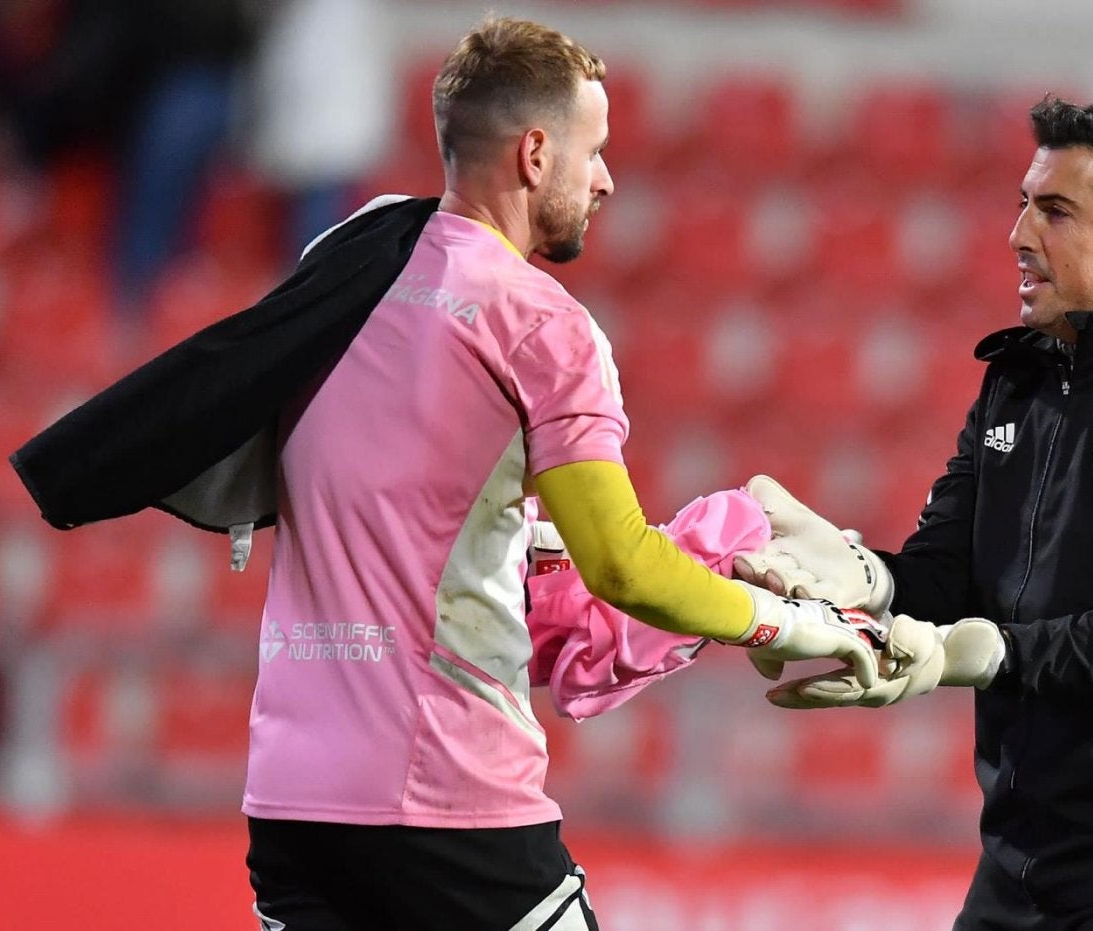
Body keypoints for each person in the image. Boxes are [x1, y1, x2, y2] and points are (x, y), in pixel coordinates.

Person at [234, 17, 879, 931]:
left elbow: (389, 497)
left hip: (291, 795)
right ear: (537, 153)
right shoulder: (541, 325)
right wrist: (787, 618)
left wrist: (517, 542)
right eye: (595, 150)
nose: (606, 177)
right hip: (445, 800)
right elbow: (622, 565)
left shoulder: (347, 255)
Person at [735, 97, 1093, 930]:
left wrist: (984, 650)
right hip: (1022, 855)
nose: (1017, 234)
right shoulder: (1018, 380)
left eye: (1056, 210)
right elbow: (946, 577)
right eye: (1022, 203)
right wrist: (858, 582)